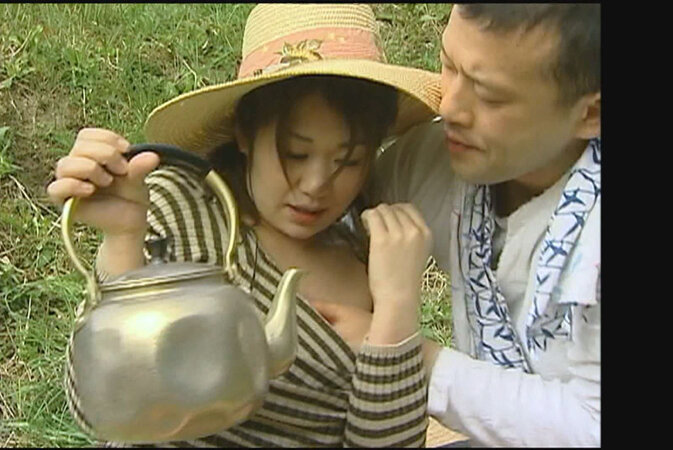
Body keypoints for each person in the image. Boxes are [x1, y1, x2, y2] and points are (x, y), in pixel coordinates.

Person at [48, 4, 444, 447]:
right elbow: (98, 406)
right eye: (295, 154)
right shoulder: (189, 210)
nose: (316, 185)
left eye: (348, 160)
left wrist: (395, 309)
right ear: (244, 133)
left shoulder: (370, 257)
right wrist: (122, 242)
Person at [312, 3, 601, 447]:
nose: (449, 107)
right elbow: (323, 222)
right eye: (449, 65)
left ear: (591, 114)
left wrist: (410, 354)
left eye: (490, 95)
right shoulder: (437, 160)